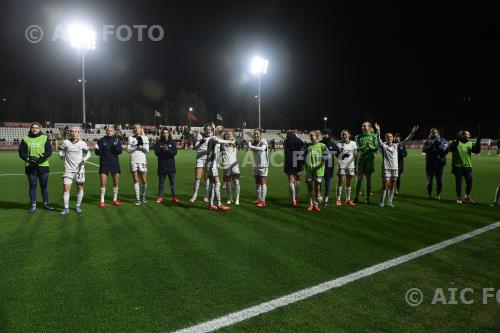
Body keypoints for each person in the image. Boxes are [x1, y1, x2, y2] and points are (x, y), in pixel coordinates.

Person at [374, 123, 418, 208]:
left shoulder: (396, 145)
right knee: (385, 185)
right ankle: (382, 202)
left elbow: (406, 141)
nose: (389, 138)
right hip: (386, 169)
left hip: (395, 169)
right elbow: (378, 139)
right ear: (385, 138)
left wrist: (412, 133)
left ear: (393, 138)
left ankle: (390, 202)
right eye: (387, 137)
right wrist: (378, 131)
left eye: (390, 137)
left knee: (392, 185)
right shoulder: (384, 145)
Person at [18, 122, 54, 213]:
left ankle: (46, 204)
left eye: (37, 127)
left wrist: (42, 156)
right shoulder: (25, 139)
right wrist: (28, 158)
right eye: (33, 127)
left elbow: (49, 151)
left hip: (43, 165)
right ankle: (33, 205)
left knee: (44, 186)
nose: (35, 129)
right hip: (30, 166)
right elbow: (21, 152)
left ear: (40, 129)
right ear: (31, 129)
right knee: (32, 186)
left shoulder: (45, 138)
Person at [59, 127, 91, 215]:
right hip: (68, 170)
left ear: (78, 133)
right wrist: (61, 155)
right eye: (72, 132)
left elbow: (88, 153)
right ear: (70, 133)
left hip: (79, 170)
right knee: (66, 189)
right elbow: (61, 152)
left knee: (79, 188)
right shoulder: (65, 142)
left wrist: (84, 159)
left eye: (76, 132)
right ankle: (66, 208)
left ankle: (77, 206)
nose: (74, 133)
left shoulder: (82, 143)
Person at [205, 126, 234, 211]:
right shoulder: (214, 138)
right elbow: (219, 141)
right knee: (217, 184)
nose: (223, 135)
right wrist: (229, 141)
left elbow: (221, 143)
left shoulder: (216, 139)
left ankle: (210, 204)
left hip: (210, 164)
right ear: (221, 133)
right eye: (223, 133)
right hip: (211, 165)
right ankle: (219, 204)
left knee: (212, 184)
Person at [449, 130, 481, 204]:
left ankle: (467, 197)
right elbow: (449, 149)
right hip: (457, 167)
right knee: (459, 183)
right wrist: (454, 143)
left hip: (468, 166)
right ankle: (459, 197)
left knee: (470, 183)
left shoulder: (470, 143)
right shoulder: (456, 142)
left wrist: (478, 141)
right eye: (467, 134)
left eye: (469, 134)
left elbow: (477, 151)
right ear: (462, 135)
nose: (469, 136)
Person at [95, 126, 122, 207]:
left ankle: (114, 199)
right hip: (104, 163)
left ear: (113, 131)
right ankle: (102, 201)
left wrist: (115, 146)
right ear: (106, 131)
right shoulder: (101, 140)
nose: (109, 132)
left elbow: (119, 151)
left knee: (115, 182)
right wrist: (96, 149)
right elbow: (98, 153)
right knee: (103, 183)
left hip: (114, 163)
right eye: (108, 130)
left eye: (111, 130)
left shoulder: (116, 140)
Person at [304, 130, 329, 212]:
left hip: (319, 170)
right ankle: (310, 204)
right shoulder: (307, 146)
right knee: (310, 188)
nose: (310, 137)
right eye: (310, 136)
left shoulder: (322, 145)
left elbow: (328, 155)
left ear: (317, 136)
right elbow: (302, 156)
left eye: (312, 135)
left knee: (317, 189)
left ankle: (316, 204)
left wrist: (323, 158)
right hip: (309, 170)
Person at [354, 122, 378, 204]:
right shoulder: (359, 137)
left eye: (365, 126)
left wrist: (369, 146)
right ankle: (356, 197)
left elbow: (376, 148)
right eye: (362, 126)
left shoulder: (373, 136)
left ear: (369, 127)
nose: (363, 127)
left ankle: (367, 199)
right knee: (359, 179)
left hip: (369, 161)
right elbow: (358, 148)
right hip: (360, 161)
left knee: (368, 180)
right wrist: (365, 146)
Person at [154, 127, 179, 204]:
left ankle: (174, 197)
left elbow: (174, 153)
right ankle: (160, 197)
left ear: (169, 134)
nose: (165, 134)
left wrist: (167, 149)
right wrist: (162, 149)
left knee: (172, 184)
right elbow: (156, 153)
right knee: (161, 184)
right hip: (162, 166)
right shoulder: (158, 143)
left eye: (166, 133)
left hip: (171, 167)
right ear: (162, 134)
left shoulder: (172, 142)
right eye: (164, 133)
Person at [422, 128, 448, 200]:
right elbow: (424, 150)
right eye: (432, 132)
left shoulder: (443, 140)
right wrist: (432, 144)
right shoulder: (427, 141)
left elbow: (444, 151)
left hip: (439, 163)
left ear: (438, 133)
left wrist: (438, 146)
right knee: (429, 180)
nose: (434, 133)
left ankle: (438, 194)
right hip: (429, 163)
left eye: (435, 132)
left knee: (439, 180)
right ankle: (429, 193)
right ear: (430, 133)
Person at [189, 124, 213, 203]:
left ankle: (206, 196)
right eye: (207, 129)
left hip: (208, 159)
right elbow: (195, 148)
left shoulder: (212, 136)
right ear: (204, 130)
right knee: (197, 177)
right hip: (200, 158)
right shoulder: (200, 136)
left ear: (211, 130)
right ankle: (194, 195)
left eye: (209, 129)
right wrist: (201, 142)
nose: (208, 131)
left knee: (206, 178)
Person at [127, 124, 150, 206]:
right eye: (134, 128)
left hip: (142, 161)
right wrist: (136, 146)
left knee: (144, 181)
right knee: (136, 180)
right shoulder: (130, 138)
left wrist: (141, 145)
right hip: (133, 160)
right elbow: (129, 150)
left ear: (141, 129)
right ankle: (137, 198)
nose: (136, 129)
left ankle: (143, 196)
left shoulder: (145, 137)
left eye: (138, 128)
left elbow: (147, 150)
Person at [283, 130, 305, 207]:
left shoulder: (285, 141)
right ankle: (297, 196)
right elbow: (304, 147)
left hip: (289, 162)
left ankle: (293, 200)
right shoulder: (297, 140)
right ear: (294, 134)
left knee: (291, 181)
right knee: (298, 178)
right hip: (298, 161)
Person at [335, 129, 357, 206]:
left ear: (349, 135)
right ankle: (338, 199)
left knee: (349, 183)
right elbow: (336, 154)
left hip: (351, 165)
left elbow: (356, 154)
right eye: (342, 135)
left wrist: (359, 152)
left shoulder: (354, 143)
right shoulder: (338, 144)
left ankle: (348, 199)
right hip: (342, 165)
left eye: (345, 134)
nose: (344, 136)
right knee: (340, 182)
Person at [248, 128, 269, 208]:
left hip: (263, 165)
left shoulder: (264, 141)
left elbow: (262, 149)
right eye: (255, 134)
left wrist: (250, 145)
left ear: (260, 134)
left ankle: (263, 201)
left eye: (257, 134)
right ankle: (259, 199)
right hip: (256, 165)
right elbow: (247, 149)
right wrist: (248, 144)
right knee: (257, 182)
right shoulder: (253, 142)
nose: (256, 135)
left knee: (263, 183)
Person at [221, 129, 241, 206]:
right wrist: (214, 128)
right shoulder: (223, 143)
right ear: (225, 135)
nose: (229, 135)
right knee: (228, 184)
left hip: (235, 165)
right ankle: (230, 198)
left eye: (230, 134)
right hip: (226, 166)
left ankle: (237, 198)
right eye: (227, 134)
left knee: (236, 182)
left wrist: (242, 128)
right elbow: (217, 137)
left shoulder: (235, 142)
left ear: (233, 135)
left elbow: (241, 137)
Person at [320, 129, 339, 206]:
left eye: (326, 134)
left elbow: (339, 154)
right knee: (319, 184)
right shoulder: (320, 143)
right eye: (324, 134)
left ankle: (325, 200)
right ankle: (318, 199)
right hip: (320, 167)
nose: (325, 135)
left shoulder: (333, 144)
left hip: (329, 167)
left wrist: (343, 156)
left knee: (327, 185)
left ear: (329, 135)